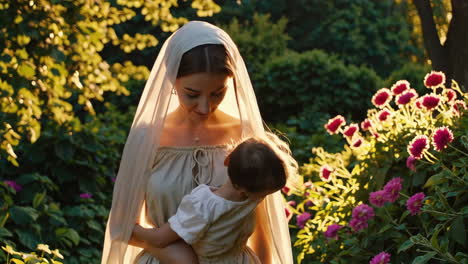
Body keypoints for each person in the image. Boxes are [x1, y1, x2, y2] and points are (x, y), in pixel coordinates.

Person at [101, 21, 298, 264]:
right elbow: (121, 226)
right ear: (171, 79)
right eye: (192, 94)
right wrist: (173, 253)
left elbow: (262, 226)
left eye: (218, 93)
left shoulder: (244, 135)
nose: (205, 107)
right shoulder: (148, 137)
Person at [132, 136, 295, 263]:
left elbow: (159, 239)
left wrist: (132, 228)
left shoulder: (203, 205)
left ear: (227, 160)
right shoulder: (252, 199)